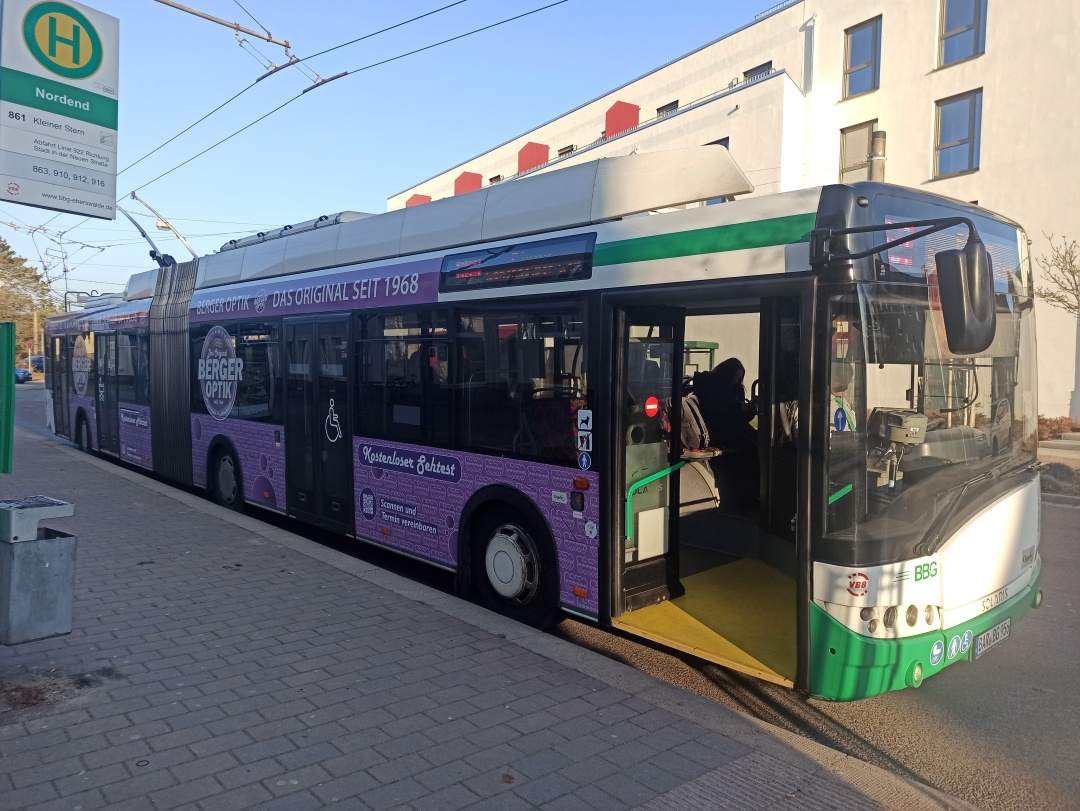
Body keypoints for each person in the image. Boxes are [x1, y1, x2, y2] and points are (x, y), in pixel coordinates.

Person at [694, 357, 759, 508]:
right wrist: (738, 407)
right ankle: (756, 488)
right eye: (734, 377)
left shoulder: (735, 389)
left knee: (759, 440)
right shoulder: (711, 385)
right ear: (727, 373)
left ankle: (757, 486)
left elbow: (740, 416)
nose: (736, 381)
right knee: (750, 446)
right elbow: (713, 411)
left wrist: (749, 410)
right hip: (718, 428)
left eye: (739, 378)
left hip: (733, 425)